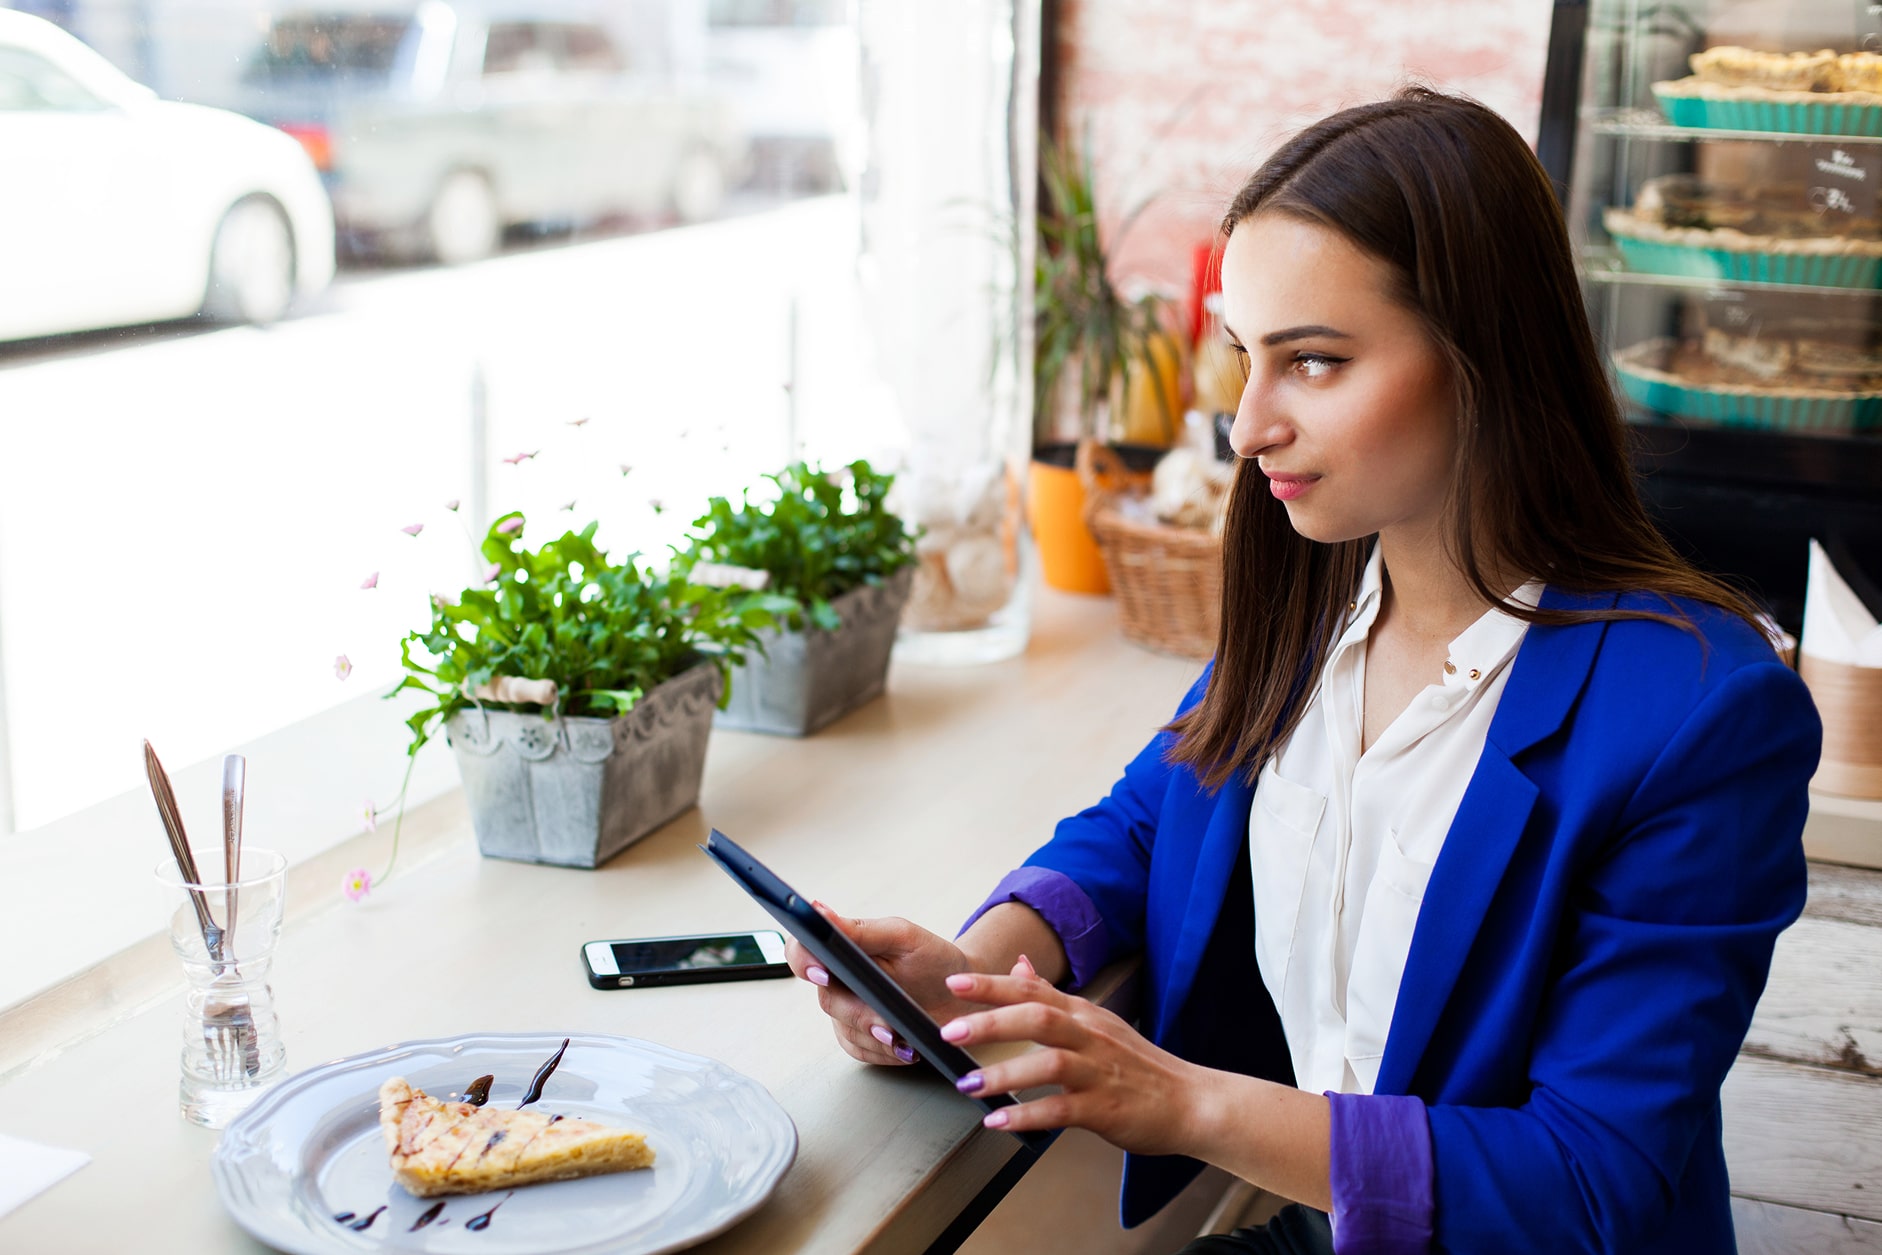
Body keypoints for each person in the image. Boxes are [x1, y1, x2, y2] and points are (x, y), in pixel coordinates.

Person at [786, 86, 1821, 1254]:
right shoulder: (1315, 593)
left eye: (1314, 362)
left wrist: (1182, 1099)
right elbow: (1150, 819)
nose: (1247, 426)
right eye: (1245, 357)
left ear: (1487, 357)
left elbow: (1589, 1182)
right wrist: (973, 976)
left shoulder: (1700, 716)